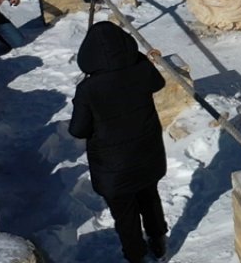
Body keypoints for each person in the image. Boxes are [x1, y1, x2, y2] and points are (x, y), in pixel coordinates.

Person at [68, 21, 169, 262]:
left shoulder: (88, 88)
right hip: (146, 153)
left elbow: (78, 130)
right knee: (150, 199)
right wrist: (141, 59)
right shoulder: (141, 69)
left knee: (125, 214)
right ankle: (159, 241)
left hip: (114, 166)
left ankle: (135, 254)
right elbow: (159, 83)